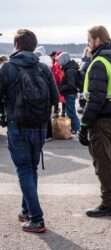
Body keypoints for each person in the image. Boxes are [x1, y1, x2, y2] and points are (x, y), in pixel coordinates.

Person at [0, 29, 59, 233]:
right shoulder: (44, 68)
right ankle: (26, 210)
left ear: (16, 46)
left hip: (18, 126)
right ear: (34, 46)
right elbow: (54, 97)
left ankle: (37, 218)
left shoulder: (6, 68)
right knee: (30, 169)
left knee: (24, 170)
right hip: (40, 126)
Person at [79, 25, 111, 217]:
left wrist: (84, 125)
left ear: (97, 40)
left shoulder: (100, 62)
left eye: (89, 40)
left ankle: (109, 203)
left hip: (101, 119)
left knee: (102, 162)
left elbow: (96, 99)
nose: (88, 44)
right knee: (110, 160)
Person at [56, 52, 81, 138]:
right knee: (70, 112)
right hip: (70, 93)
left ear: (63, 60)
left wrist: (61, 88)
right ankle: (76, 129)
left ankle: (77, 130)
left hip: (70, 94)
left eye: (59, 61)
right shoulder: (70, 68)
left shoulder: (69, 70)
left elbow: (71, 84)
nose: (58, 63)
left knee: (71, 112)